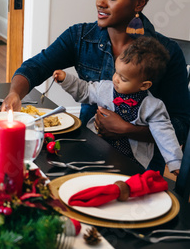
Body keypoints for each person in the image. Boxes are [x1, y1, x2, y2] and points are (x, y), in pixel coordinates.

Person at [1, 0, 190, 173]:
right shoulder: (80, 36)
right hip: (86, 149)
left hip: (139, 165)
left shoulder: (166, 53)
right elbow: (35, 67)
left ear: (139, 3)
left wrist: (129, 130)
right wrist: (15, 93)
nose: (100, 2)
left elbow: (181, 125)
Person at [54, 37, 182, 175]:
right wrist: (66, 79)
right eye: (116, 72)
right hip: (98, 150)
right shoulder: (104, 88)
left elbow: (165, 134)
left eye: (123, 79)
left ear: (144, 85)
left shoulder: (153, 107)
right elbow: (84, 90)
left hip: (132, 161)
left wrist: (175, 163)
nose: (115, 79)